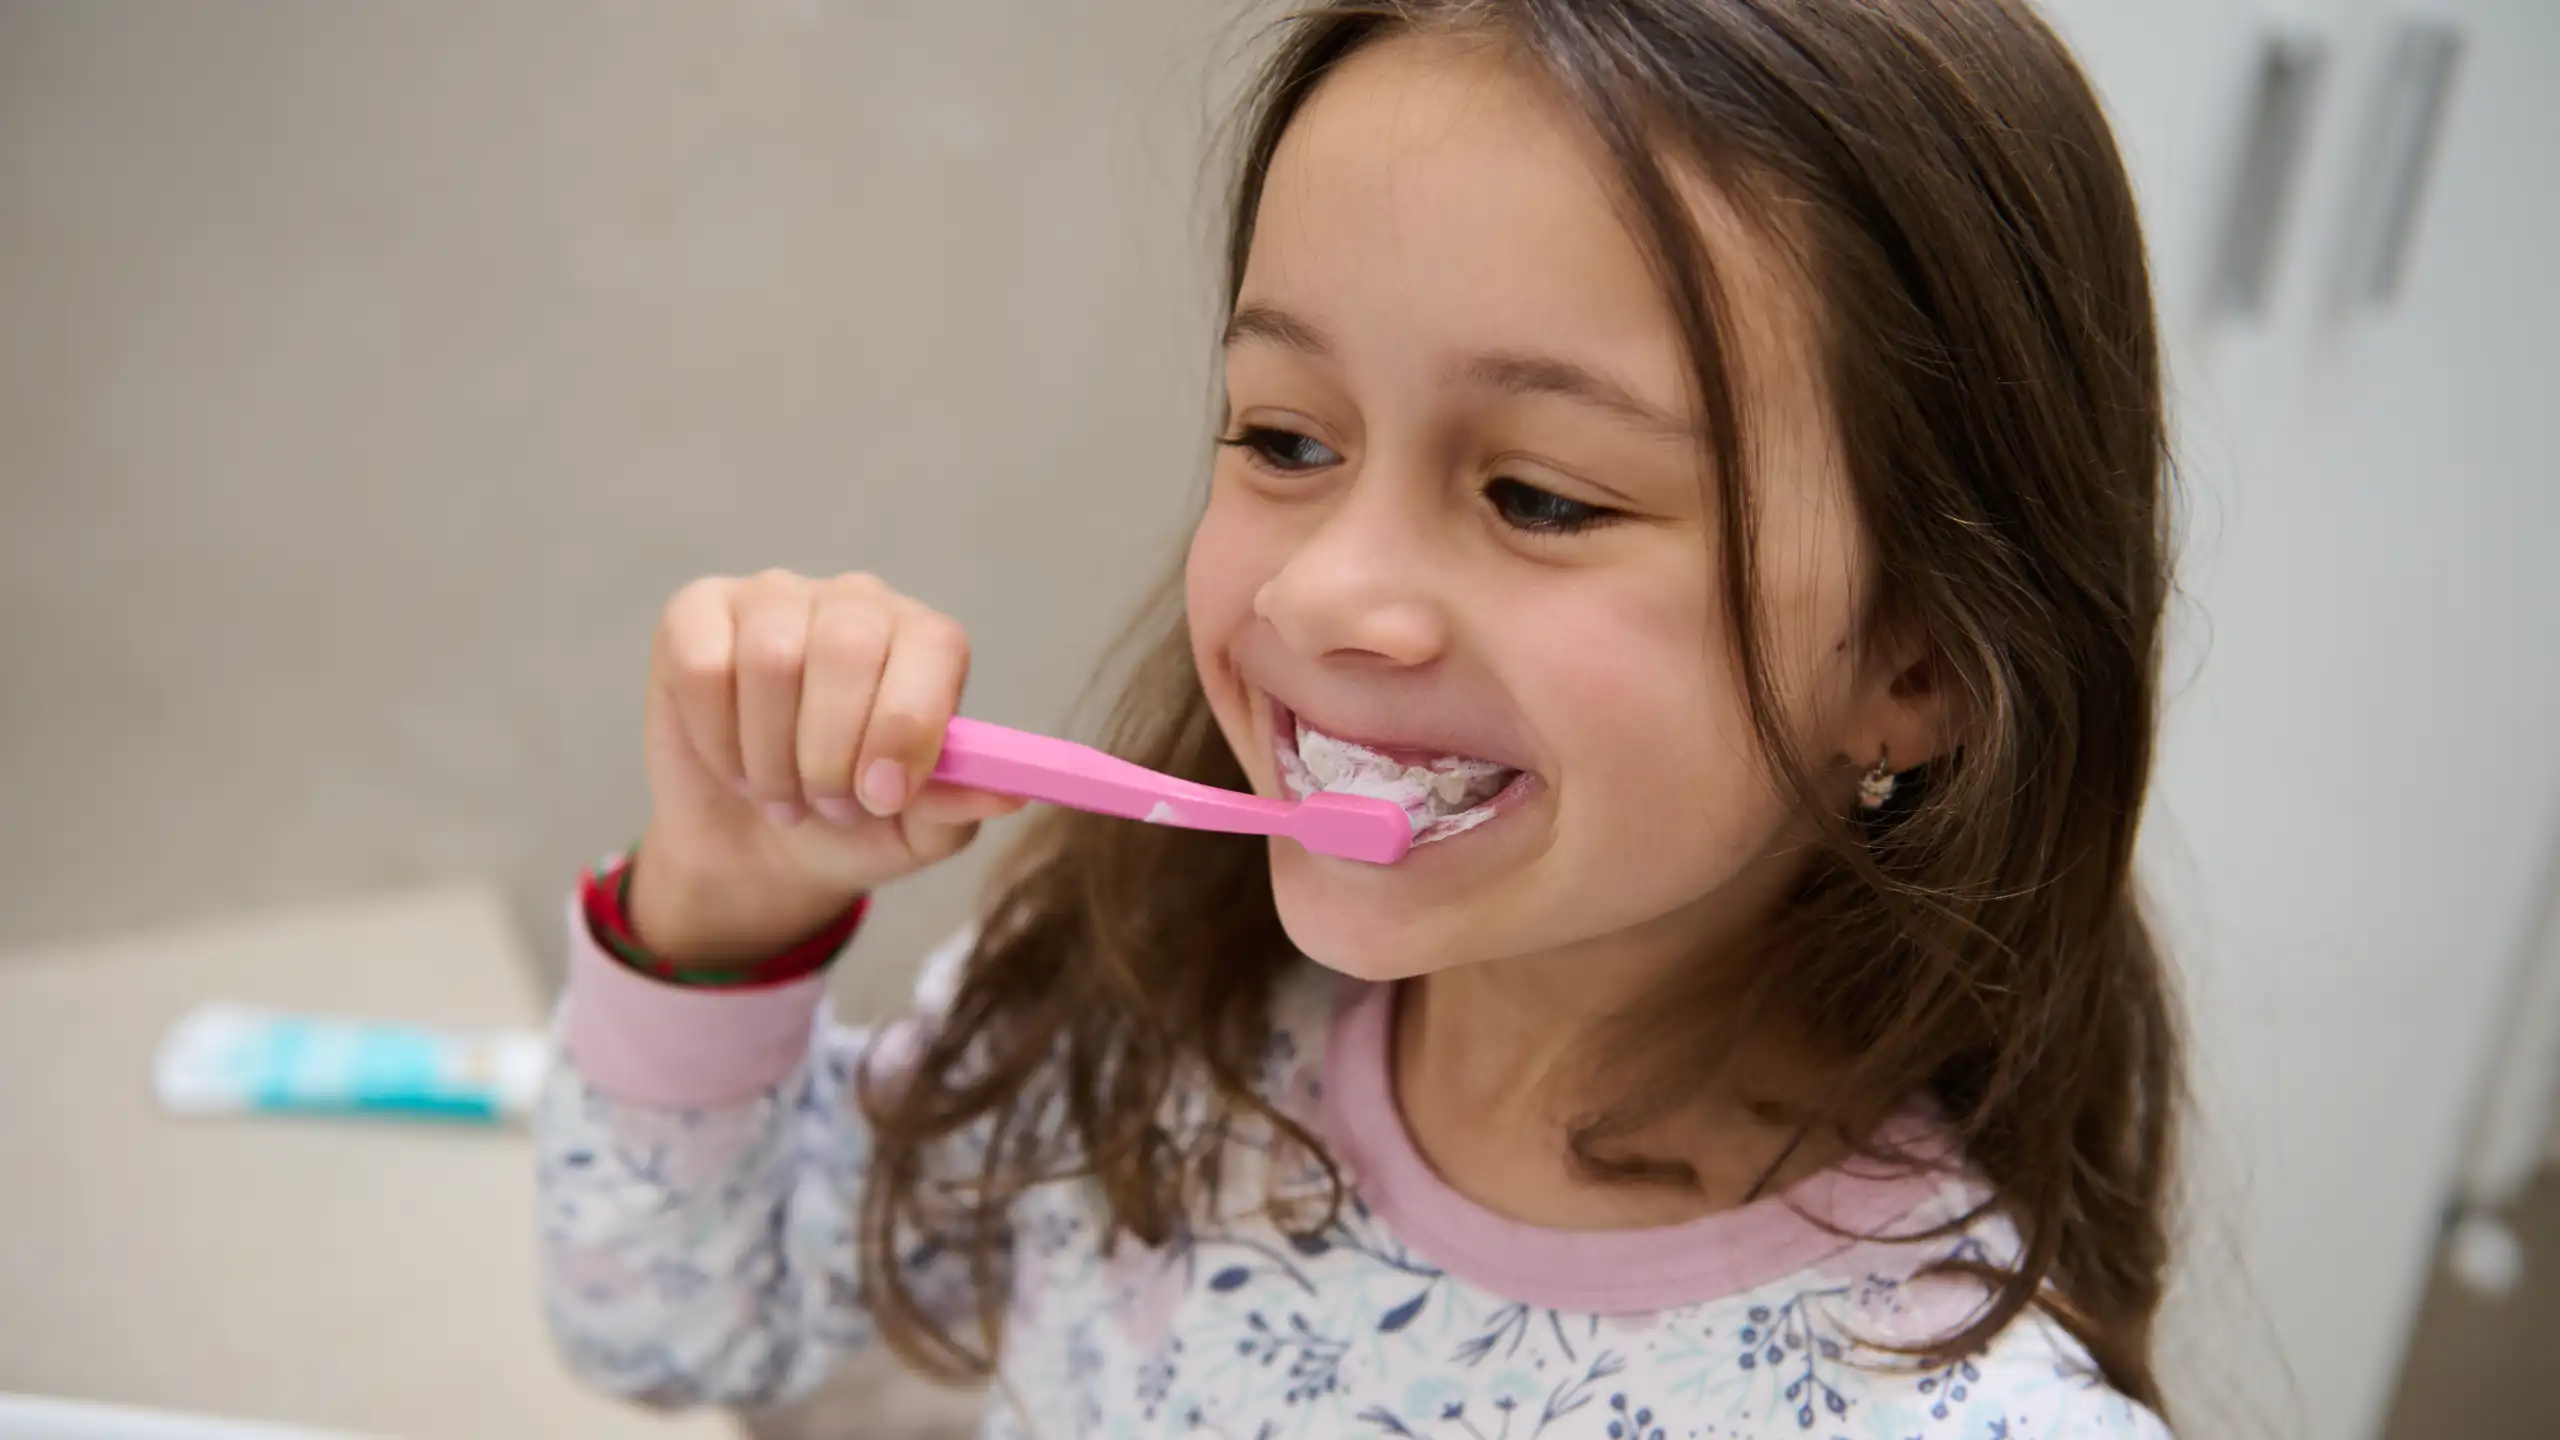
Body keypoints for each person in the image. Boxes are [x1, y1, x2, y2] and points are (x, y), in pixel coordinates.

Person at [537, 2, 2181, 1434]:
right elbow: (676, 1322)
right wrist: (725, 910)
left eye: (1538, 495)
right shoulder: (1146, 1018)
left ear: (1917, 668)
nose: (1321, 597)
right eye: (1285, 439)